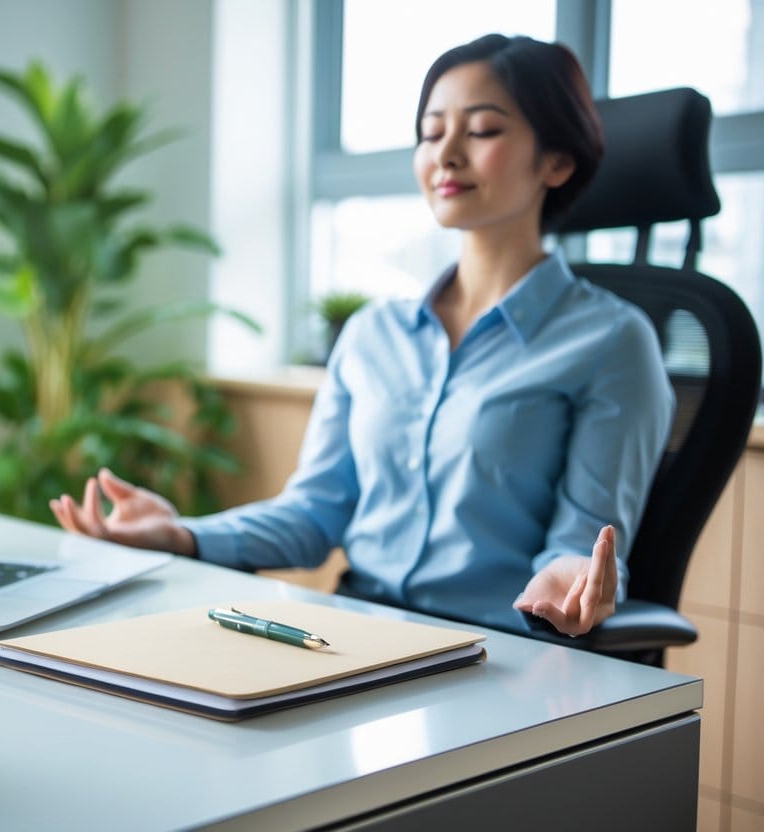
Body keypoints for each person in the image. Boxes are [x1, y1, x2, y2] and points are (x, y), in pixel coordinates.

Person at [49, 34, 674, 638]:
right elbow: (314, 514)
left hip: (499, 652)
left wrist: (571, 578)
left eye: (481, 130)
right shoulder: (374, 333)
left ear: (556, 161)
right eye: (431, 133)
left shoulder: (613, 342)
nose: (446, 154)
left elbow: (587, 542)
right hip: (352, 639)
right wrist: (182, 534)